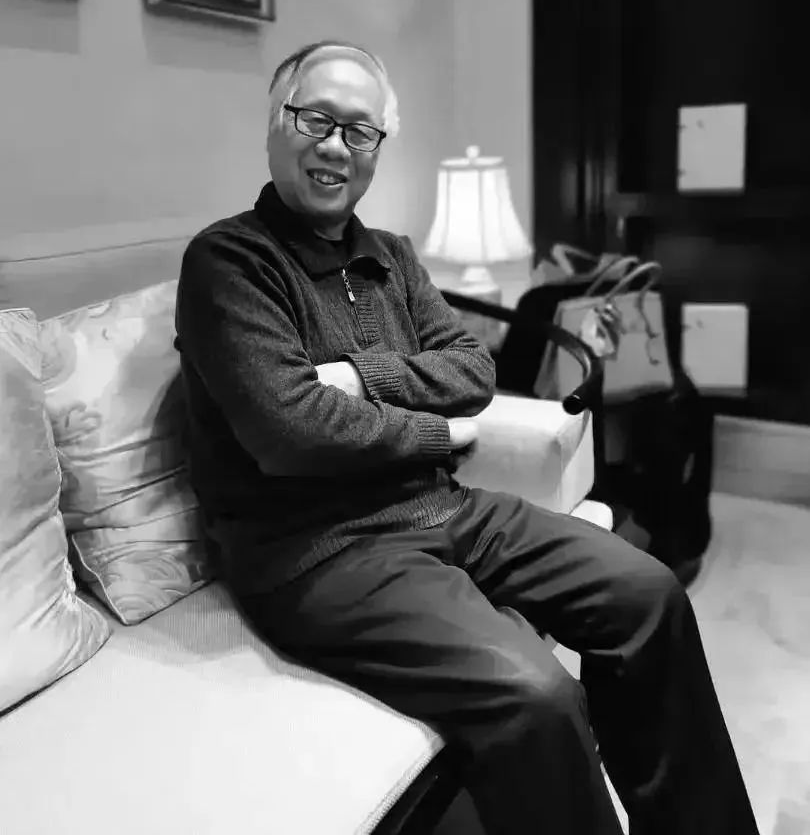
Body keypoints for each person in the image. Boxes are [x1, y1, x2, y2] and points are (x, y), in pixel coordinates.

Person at [174, 40, 759, 835]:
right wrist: (438, 430)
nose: (337, 146)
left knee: (647, 594)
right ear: (277, 122)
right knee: (537, 695)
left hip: (443, 509)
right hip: (316, 555)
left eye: (360, 130)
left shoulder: (394, 257)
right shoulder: (229, 262)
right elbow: (291, 432)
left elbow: (474, 369)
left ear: (379, 146)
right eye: (316, 120)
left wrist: (360, 378)